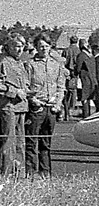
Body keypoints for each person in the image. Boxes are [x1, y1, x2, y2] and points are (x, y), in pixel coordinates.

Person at [23, 34, 66, 175]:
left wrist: (58, 104)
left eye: (46, 46)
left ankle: (45, 173)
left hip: (51, 109)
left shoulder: (56, 65)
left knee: (46, 144)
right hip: (36, 109)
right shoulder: (30, 65)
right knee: (31, 143)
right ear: (36, 47)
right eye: (41, 46)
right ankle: (30, 173)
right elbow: (25, 86)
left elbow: (61, 87)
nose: (44, 49)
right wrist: (33, 100)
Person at [0, 34, 28, 176]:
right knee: (8, 143)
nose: (19, 49)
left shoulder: (20, 63)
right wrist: (15, 91)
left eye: (22, 46)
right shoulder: (3, 62)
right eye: (16, 46)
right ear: (8, 46)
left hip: (21, 107)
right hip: (8, 106)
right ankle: (5, 175)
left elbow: (25, 83)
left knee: (20, 143)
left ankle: (19, 175)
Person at [74, 40, 99, 119]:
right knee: (91, 98)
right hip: (92, 80)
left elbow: (78, 69)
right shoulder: (91, 56)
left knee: (84, 99)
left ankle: (86, 116)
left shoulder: (81, 55)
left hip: (84, 79)